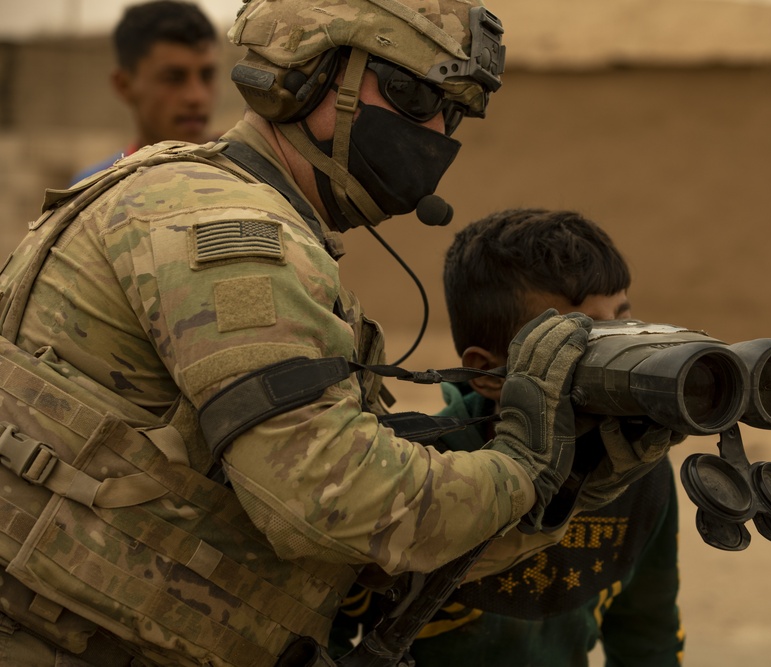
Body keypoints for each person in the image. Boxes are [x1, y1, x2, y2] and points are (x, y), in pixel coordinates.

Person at [0, 1, 676, 666]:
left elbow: (362, 561)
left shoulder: (232, 215)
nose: (439, 130)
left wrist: (571, 478)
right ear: (311, 76)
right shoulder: (224, 231)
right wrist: (523, 468)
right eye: (415, 96)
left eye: (456, 112)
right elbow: (330, 501)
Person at [331, 208, 685, 666]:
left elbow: (647, 638)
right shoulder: (416, 469)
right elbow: (323, 632)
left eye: (621, 324)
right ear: (488, 373)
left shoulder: (637, 472)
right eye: (575, 341)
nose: (617, 353)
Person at [69, 0, 219, 184]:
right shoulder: (95, 191)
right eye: (174, 78)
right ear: (123, 85)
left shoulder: (248, 174)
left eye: (207, 76)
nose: (197, 97)